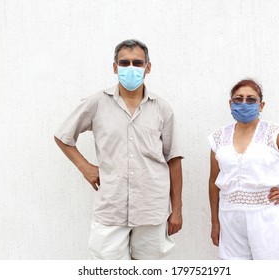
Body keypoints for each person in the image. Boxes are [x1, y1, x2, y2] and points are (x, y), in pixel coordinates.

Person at [54, 39, 183, 260]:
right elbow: (63, 136)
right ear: (115, 67)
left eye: (137, 62)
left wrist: (177, 211)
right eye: (124, 63)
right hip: (111, 208)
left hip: (151, 208)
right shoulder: (96, 103)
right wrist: (85, 167)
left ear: (148, 67)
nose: (130, 68)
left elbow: (173, 159)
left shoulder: (162, 108)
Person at [207, 79, 279, 260]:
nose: (244, 103)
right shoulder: (219, 138)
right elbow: (214, 182)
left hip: (266, 216)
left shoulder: (274, 134)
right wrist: (215, 221)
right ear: (230, 103)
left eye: (251, 99)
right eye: (239, 99)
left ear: (261, 105)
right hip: (229, 216)